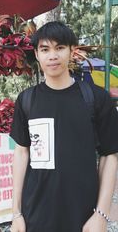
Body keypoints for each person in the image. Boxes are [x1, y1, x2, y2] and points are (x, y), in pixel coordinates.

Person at [10, 21, 118, 232]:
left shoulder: (96, 98)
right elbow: (21, 154)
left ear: (72, 51)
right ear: (37, 54)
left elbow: (110, 156)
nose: (52, 56)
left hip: (84, 218)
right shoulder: (27, 100)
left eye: (59, 48)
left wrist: (101, 215)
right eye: (45, 49)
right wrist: (16, 213)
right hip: (35, 216)